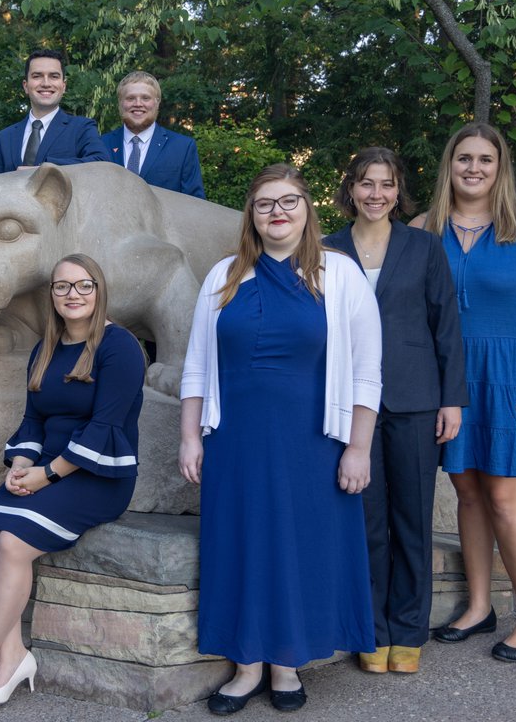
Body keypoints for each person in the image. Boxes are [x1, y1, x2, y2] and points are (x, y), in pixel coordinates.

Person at [179, 164, 381, 715]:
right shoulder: (223, 274)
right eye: (265, 203)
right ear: (251, 213)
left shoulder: (340, 275)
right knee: (242, 544)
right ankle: (246, 667)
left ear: (307, 209)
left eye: (289, 201)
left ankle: (287, 663)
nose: (277, 212)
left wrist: (358, 447)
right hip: (236, 439)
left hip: (312, 442)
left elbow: (367, 371)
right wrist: (190, 438)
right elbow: (197, 365)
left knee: (298, 546)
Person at [0, 254, 145, 709]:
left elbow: (104, 427)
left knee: (13, 542)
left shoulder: (119, 346)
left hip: (97, 472)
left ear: (99, 289)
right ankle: (13, 654)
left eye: (83, 285)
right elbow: (32, 419)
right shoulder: (46, 347)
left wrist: (47, 475)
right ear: (51, 295)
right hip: (45, 466)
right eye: (62, 287)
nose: (73, 295)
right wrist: (21, 464)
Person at [416, 122, 516, 662]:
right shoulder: (422, 228)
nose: (474, 168)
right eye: (464, 159)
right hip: (449, 382)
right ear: (449, 165)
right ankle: (479, 607)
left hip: (511, 379)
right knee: (468, 494)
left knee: (505, 498)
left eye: (485, 159)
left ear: (500, 167)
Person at [325, 147, 468, 674]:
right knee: (366, 522)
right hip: (349, 404)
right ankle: (373, 631)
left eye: (386, 184)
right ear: (350, 190)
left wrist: (451, 399)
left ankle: (409, 631)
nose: (376, 194)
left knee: (413, 521)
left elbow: (446, 326)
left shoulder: (425, 248)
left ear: (398, 189)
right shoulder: (325, 249)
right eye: (366, 184)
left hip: (414, 400)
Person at [0, 49, 108, 175]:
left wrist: (44, 168)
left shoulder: (81, 128)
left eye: (54, 76)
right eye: (37, 76)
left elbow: (101, 163)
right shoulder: (5, 137)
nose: (45, 83)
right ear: (25, 86)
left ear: (64, 86)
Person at [100, 71, 205, 198]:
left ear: (157, 103)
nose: (138, 104)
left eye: (145, 98)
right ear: (120, 103)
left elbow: (195, 204)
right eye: (130, 98)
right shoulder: (101, 145)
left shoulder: (182, 148)